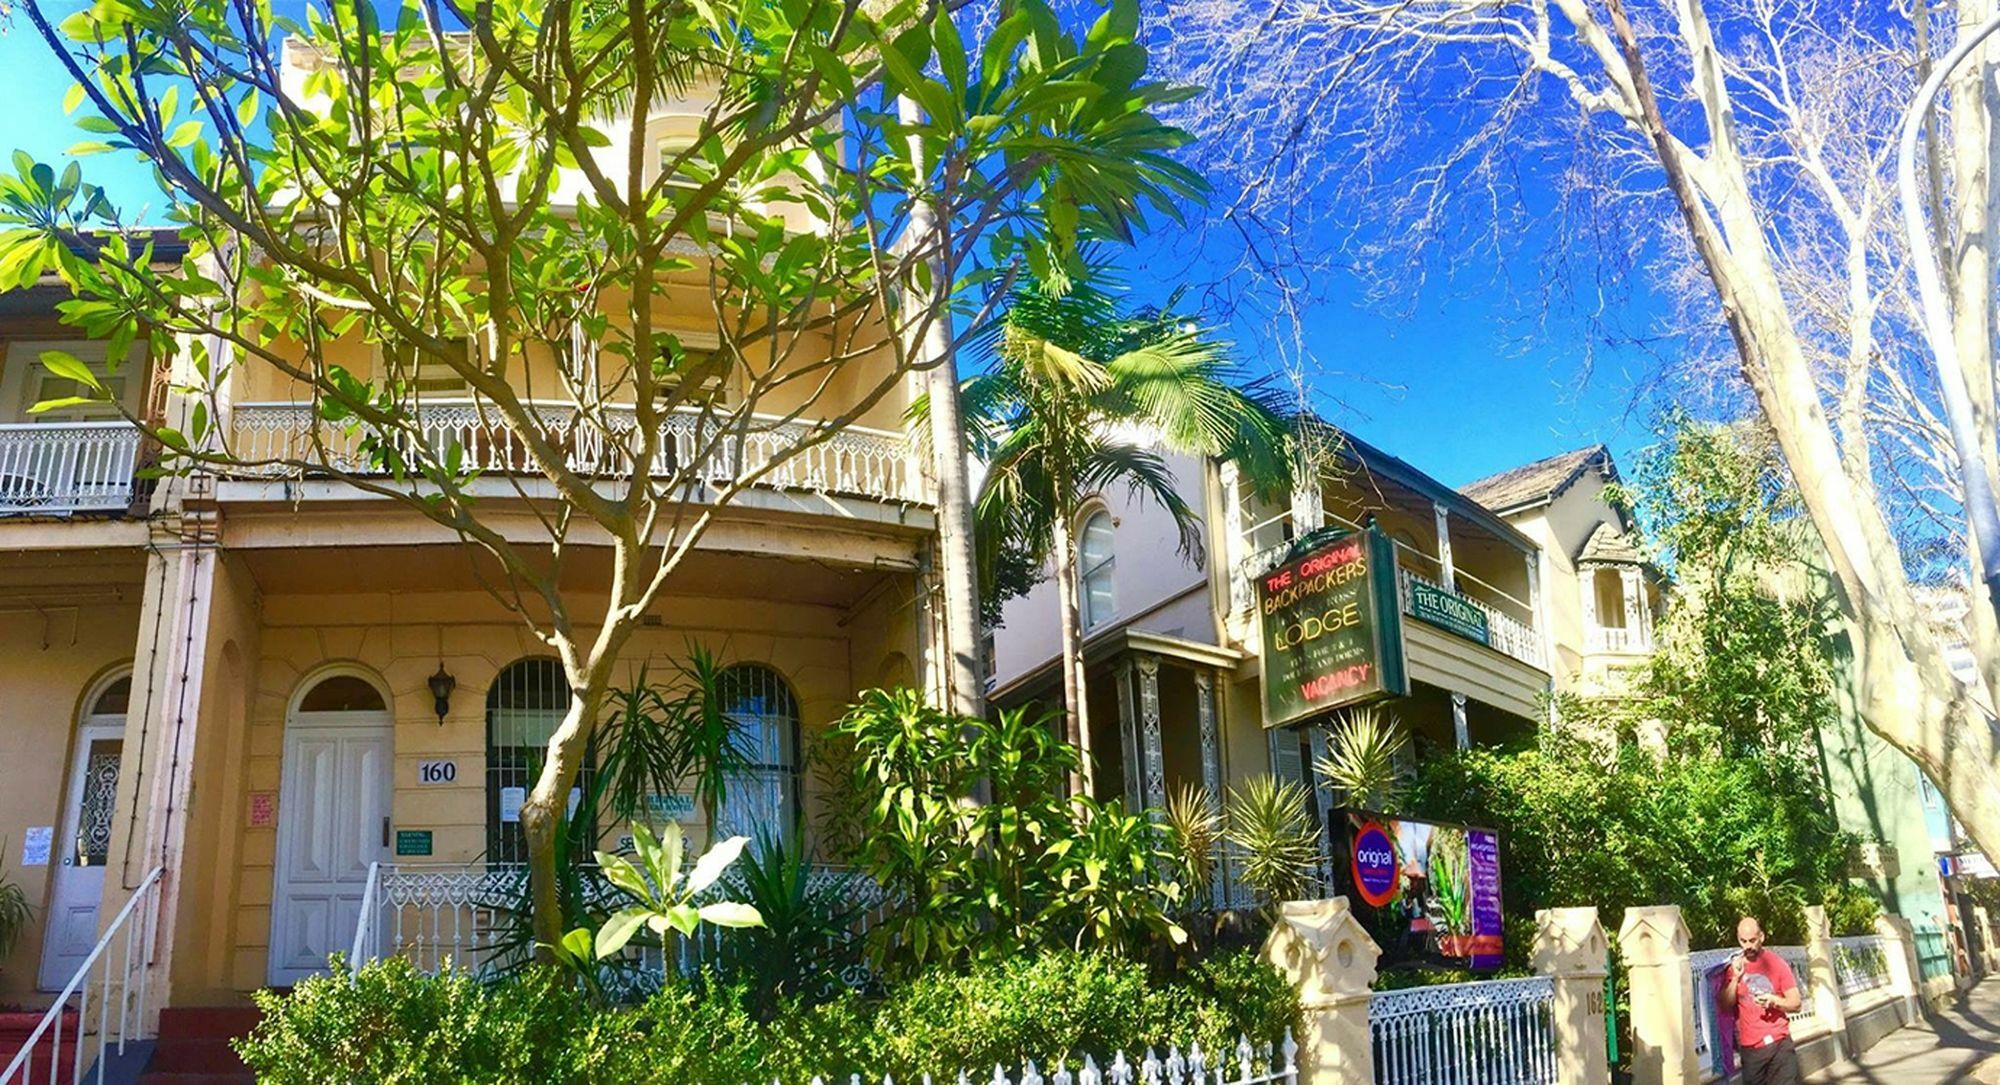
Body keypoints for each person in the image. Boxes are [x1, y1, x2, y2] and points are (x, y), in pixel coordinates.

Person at [1719, 916, 1803, 1085]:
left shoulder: (1777, 964)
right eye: (1743, 941)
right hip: (1752, 1050)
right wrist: (1735, 978)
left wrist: (1774, 1001)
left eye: (1752, 940)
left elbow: (1796, 1004)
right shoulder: (1734, 966)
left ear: (1762, 937)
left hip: (1780, 1044)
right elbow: (1725, 1006)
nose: (1748, 946)